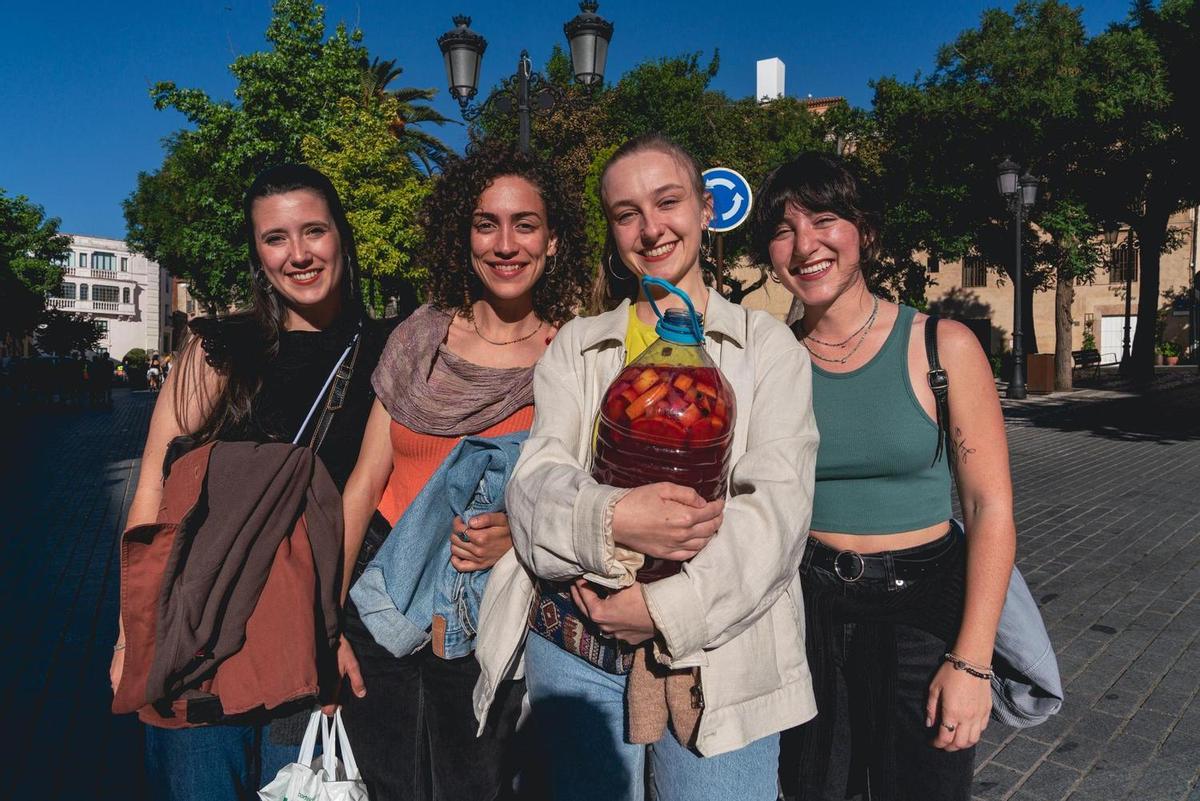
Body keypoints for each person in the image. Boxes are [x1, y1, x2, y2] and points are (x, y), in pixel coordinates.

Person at [476, 133, 820, 801]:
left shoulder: (764, 346)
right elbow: (535, 483)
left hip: (718, 655)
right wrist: (614, 517)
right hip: (577, 647)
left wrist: (661, 608)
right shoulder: (580, 344)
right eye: (627, 212)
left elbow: (774, 517)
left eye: (668, 202)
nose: (651, 226)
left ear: (705, 210)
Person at [110, 163, 396, 800]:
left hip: (302, 640)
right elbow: (152, 494)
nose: (298, 255)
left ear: (342, 236)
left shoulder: (387, 353)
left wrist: (328, 631)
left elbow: (366, 497)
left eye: (313, 231)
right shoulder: (218, 350)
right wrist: (131, 634)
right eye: (275, 238)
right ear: (257, 253)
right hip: (195, 635)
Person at [751, 152, 1017, 801]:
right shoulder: (768, 363)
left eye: (824, 219)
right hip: (809, 612)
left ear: (863, 229)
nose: (805, 243)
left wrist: (972, 661)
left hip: (925, 614)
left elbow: (990, 509)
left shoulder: (941, 346)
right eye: (785, 230)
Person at [336, 144, 593, 801]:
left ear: (553, 240)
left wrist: (517, 530)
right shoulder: (419, 338)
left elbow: (587, 499)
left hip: (489, 618)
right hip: (383, 605)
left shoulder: (571, 356)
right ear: (464, 236)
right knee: (390, 786)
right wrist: (326, 621)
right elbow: (364, 484)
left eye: (525, 224)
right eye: (486, 224)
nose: (506, 244)